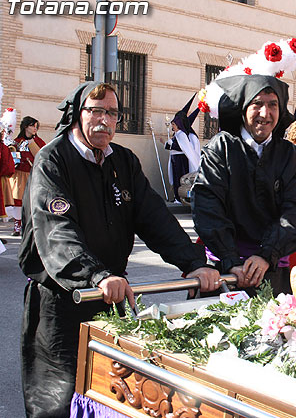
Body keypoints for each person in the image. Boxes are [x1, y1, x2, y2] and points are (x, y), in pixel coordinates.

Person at [18, 81, 221, 418]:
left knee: (109, 392)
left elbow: (155, 218)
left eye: (112, 113)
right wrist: (95, 275)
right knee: (57, 398)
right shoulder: (52, 159)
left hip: (111, 296)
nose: (104, 120)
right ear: (78, 114)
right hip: (62, 299)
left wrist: (193, 263)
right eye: (96, 111)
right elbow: (57, 232)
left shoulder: (123, 161)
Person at [191, 74, 296, 297]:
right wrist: (229, 258)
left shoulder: (290, 156)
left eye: (273, 105)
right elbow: (207, 207)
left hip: (271, 266)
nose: (265, 114)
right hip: (225, 270)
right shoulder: (221, 149)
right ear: (243, 107)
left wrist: (267, 255)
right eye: (257, 104)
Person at [8, 116, 46, 236]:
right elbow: (12, 156)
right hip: (19, 174)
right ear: (25, 127)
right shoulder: (17, 141)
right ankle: (17, 225)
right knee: (17, 200)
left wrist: (31, 143)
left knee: (33, 200)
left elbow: (41, 156)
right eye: (32, 126)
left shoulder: (39, 141)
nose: (35, 128)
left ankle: (31, 225)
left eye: (36, 126)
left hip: (33, 173)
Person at [166, 95, 201, 203]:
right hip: (175, 158)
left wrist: (171, 144)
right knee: (176, 178)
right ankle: (177, 196)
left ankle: (180, 197)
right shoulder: (178, 134)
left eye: (174, 124)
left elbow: (185, 148)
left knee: (181, 178)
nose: (173, 126)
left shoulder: (186, 135)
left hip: (181, 159)